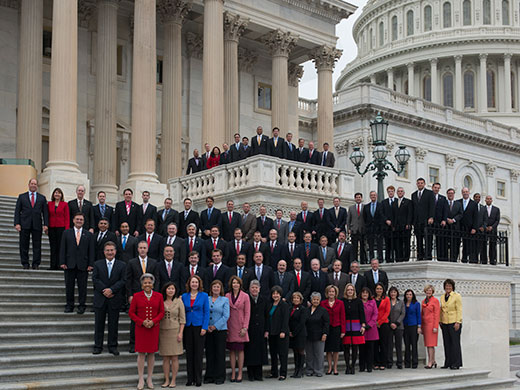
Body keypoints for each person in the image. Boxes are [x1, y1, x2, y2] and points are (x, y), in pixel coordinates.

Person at [128, 273, 165, 390]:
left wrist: (153, 321)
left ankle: (149, 378)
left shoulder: (159, 296)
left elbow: (162, 312)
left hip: (153, 328)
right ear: (141, 285)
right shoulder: (136, 296)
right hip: (141, 328)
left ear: (153, 285)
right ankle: (140, 378)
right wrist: (141, 321)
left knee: (151, 353)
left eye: (149, 282)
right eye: (145, 283)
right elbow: (131, 313)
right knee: (141, 353)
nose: (147, 284)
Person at [92, 241, 126, 355]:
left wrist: (112, 290)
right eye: (107, 250)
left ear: (115, 251)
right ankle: (98, 346)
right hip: (100, 298)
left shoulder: (122, 265)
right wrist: (105, 290)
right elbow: (95, 279)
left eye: (112, 250)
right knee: (99, 324)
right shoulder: (97, 264)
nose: (110, 252)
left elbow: (123, 280)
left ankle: (112, 346)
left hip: (114, 298)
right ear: (104, 252)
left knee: (113, 324)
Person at [126, 241, 158, 352]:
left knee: (150, 318)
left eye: (144, 247)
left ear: (147, 249)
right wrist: (130, 295)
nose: (142, 249)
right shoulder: (131, 262)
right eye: (140, 248)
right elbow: (128, 280)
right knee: (135, 320)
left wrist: (156, 295)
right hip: (136, 295)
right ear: (138, 249)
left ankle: (150, 344)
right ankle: (133, 343)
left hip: (150, 295)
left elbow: (157, 280)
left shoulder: (154, 262)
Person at [60, 213, 95, 314]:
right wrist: (62, 262)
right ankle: (69, 305)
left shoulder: (88, 234)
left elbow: (91, 250)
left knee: (82, 287)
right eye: (77, 219)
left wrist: (90, 264)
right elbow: (63, 248)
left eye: (81, 220)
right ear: (73, 220)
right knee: (69, 286)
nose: (79, 221)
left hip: (83, 265)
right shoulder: (66, 233)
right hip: (69, 264)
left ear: (83, 221)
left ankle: (81, 305)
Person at [14, 178, 49, 270]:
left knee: (37, 245)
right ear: (29, 185)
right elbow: (17, 211)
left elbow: (45, 212)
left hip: (37, 225)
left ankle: (36, 263)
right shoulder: (22, 197)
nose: (33, 185)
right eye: (32, 184)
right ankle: (25, 263)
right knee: (23, 244)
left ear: (37, 186)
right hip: (24, 224)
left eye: (35, 184)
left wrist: (46, 224)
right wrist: (17, 223)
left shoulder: (42, 198)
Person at [182, 275, 210, 387]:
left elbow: (207, 312)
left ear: (199, 284)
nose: (194, 284)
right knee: (189, 353)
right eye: (192, 282)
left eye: (196, 282)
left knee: (198, 354)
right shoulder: (184, 296)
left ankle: (198, 378)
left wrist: (205, 327)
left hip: (199, 326)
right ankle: (190, 378)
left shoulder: (204, 296)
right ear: (189, 284)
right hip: (188, 326)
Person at [159, 282, 186, 388]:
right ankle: (166, 380)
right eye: (169, 288)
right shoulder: (161, 301)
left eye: (172, 289)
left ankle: (173, 380)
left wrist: (180, 333)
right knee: (165, 357)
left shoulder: (179, 301)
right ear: (165, 290)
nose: (171, 290)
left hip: (175, 331)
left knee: (174, 357)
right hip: (163, 331)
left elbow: (183, 319)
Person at [204, 280, 230, 385]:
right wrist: (207, 326)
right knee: (209, 354)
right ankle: (209, 376)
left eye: (218, 287)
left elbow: (226, 316)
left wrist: (215, 326)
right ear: (211, 288)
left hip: (220, 330)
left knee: (219, 353)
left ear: (221, 289)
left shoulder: (225, 300)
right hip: (208, 330)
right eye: (214, 287)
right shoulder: (207, 298)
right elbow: (205, 312)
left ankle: (220, 376)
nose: (216, 289)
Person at [226, 276, 251, 382]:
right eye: (233, 283)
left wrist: (245, 327)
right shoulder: (227, 295)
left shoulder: (245, 296)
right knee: (231, 351)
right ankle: (233, 372)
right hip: (230, 325)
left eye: (237, 283)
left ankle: (240, 372)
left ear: (240, 285)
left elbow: (247, 312)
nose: (235, 285)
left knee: (240, 350)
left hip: (241, 326)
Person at [245, 280, 268, 381]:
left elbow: (267, 316)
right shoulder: (246, 298)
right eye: (252, 287)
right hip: (249, 329)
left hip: (261, 329)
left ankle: (259, 374)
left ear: (259, 289)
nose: (254, 289)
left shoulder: (264, 299)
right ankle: (251, 374)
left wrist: (267, 330)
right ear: (249, 288)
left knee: (260, 352)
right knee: (250, 352)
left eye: (256, 287)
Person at [266, 286, 290, 380]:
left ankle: (283, 373)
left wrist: (283, 331)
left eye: (277, 293)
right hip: (272, 332)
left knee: (282, 354)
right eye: (273, 293)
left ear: (280, 295)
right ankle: (274, 372)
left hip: (281, 333)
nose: (275, 295)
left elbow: (285, 319)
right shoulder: (270, 304)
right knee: (273, 353)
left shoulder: (284, 305)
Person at [321, 285, 345, 375]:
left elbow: (343, 317)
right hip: (327, 328)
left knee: (335, 349)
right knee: (328, 349)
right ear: (327, 293)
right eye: (330, 291)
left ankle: (335, 367)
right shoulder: (323, 303)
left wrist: (343, 331)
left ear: (336, 293)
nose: (331, 293)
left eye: (333, 292)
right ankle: (329, 367)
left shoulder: (340, 303)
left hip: (336, 328)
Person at [342, 283, 366, 375]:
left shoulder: (358, 301)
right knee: (346, 347)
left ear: (354, 291)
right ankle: (347, 366)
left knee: (355, 347)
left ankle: (353, 366)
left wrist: (363, 325)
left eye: (351, 290)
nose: (350, 291)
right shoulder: (342, 301)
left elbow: (362, 314)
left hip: (356, 325)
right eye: (348, 290)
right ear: (346, 291)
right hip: (346, 325)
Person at [305, 292, 329, 377]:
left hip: (319, 335)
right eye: (314, 299)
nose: (315, 301)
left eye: (317, 299)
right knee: (309, 354)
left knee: (319, 354)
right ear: (311, 300)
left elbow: (326, 323)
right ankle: (309, 370)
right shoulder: (307, 310)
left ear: (320, 300)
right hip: (308, 335)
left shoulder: (323, 311)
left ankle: (318, 371)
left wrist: (325, 334)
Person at [440, 278, 462, 370]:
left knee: (455, 343)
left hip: (454, 322)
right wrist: (440, 320)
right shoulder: (442, 296)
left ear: (452, 287)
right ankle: (448, 362)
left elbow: (459, 310)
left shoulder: (457, 296)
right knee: (446, 343)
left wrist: (458, 322)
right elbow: (441, 310)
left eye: (449, 286)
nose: (448, 287)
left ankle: (456, 363)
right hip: (444, 322)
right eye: (446, 286)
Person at [411, 178, 435, 260]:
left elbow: (432, 206)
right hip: (417, 221)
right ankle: (420, 255)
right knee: (419, 239)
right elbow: (413, 208)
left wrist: (431, 217)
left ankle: (428, 255)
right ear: (417, 184)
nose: (420, 184)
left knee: (428, 238)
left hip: (426, 220)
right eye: (418, 183)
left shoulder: (430, 193)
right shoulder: (413, 195)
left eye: (421, 183)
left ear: (424, 184)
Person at [47, 187, 69, 270]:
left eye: (59, 193)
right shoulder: (49, 204)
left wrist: (66, 229)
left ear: (61, 195)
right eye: (55, 192)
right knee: (53, 247)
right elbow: (47, 216)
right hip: (52, 228)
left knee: (60, 247)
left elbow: (67, 217)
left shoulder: (65, 204)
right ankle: (52, 265)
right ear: (53, 194)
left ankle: (60, 265)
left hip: (61, 228)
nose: (57, 194)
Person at [289, 291, 308, 378]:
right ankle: (296, 369)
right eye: (294, 298)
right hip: (291, 333)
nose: (296, 299)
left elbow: (302, 322)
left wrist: (294, 332)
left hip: (300, 333)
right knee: (295, 352)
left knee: (300, 351)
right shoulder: (290, 308)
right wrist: (289, 331)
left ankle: (300, 370)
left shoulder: (303, 309)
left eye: (297, 298)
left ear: (300, 300)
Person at [359, 287, 378, 373]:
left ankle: (369, 366)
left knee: (370, 349)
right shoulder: (358, 302)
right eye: (363, 293)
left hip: (371, 329)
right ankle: (362, 366)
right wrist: (362, 325)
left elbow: (375, 315)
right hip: (360, 328)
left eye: (366, 293)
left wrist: (369, 325)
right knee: (362, 349)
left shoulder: (373, 302)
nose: (365, 294)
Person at [421, 284, 440, 369]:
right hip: (425, 325)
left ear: (432, 291)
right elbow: (422, 314)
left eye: (430, 290)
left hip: (432, 325)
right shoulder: (423, 301)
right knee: (428, 344)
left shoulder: (435, 301)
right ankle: (433, 360)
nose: (428, 292)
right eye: (427, 290)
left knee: (430, 344)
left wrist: (435, 326)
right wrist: (421, 326)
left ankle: (430, 362)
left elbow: (437, 314)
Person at [458, 187, 479, 263]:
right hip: (460, 226)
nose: (465, 193)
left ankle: (469, 259)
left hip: (470, 227)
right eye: (464, 192)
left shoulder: (474, 204)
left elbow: (476, 216)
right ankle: (461, 259)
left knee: (469, 244)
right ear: (462, 193)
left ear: (469, 192)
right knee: (458, 243)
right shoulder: (458, 202)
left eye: (466, 191)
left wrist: (474, 228)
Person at [373, 282, 390, 370]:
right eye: (377, 289)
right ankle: (376, 362)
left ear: (383, 290)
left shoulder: (386, 299)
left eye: (380, 288)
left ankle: (383, 362)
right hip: (374, 324)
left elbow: (387, 312)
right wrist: (375, 322)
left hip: (383, 324)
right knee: (375, 344)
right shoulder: (372, 299)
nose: (379, 290)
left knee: (383, 344)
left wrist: (379, 322)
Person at [403, 289, 421, 369]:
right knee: (407, 345)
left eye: (410, 294)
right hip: (405, 326)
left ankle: (414, 363)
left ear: (412, 295)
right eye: (407, 294)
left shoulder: (416, 304)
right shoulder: (403, 303)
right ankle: (407, 363)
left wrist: (419, 326)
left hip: (413, 325)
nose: (408, 296)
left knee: (414, 345)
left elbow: (418, 315)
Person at [363, 191, 383, 261]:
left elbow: (382, 216)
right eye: (371, 195)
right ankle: (371, 258)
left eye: (374, 195)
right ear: (370, 196)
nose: (373, 196)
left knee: (379, 244)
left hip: (378, 228)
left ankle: (380, 258)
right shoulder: (366, 207)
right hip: (369, 229)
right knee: (370, 245)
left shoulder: (381, 205)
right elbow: (365, 218)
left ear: (376, 196)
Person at [388, 286, 405, 369]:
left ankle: (399, 362)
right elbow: (385, 312)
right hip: (389, 326)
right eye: (391, 292)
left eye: (394, 292)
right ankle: (389, 362)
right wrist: (390, 323)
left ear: (397, 293)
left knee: (399, 345)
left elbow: (403, 314)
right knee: (389, 345)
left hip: (399, 326)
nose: (393, 294)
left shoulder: (401, 302)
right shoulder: (387, 301)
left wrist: (396, 323)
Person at [394, 187, 413, 262]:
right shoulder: (394, 202)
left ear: (404, 193)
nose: (400, 193)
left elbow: (410, 213)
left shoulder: (408, 202)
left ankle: (406, 258)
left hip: (405, 226)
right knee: (398, 243)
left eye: (401, 191)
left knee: (406, 243)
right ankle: (399, 258)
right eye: (398, 191)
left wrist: (408, 223)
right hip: (397, 226)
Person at [432, 183, 449, 261]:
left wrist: (444, 220)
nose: (436, 189)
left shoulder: (443, 198)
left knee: (440, 241)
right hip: (430, 222)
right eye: (435, 187)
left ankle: (441, 257)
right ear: (432, 188)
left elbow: (445, 210)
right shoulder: (429, 197)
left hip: (440, 223)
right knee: (429, 239)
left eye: (438, 188)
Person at [347, 193, 365, 263]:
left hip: (362, 229)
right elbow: (348, 219)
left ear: (361, 198)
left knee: (363, 246)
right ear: (355, 199)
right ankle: (355, 260)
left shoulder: (364, 207)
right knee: (354, 246)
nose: (358, 198)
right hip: (354, 229)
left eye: (359, 197)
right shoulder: (351, 208)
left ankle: (363, 260)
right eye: (357, 197)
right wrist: (348, 228)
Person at [446, 188, 463, 262]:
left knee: (455, 244)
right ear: (447, 194)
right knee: (445, 244)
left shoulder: (458, 204)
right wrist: (447, 219)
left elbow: (461, 214)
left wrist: (453, 220)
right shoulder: (444, 203)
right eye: (449, 193)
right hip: (446, 227)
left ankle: (454, 259)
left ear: (454, 194)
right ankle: (445, 258)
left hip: (455, 227)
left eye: (452, 193)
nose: (450, 195)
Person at [381, 186, 397, 263]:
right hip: (386, 227)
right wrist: (386, 220)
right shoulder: (384, 202)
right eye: (389, 191)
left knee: (396, 244)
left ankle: (396, 258)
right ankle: (388, 259)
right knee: (387, 244)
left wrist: (394, 223)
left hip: (395, 227)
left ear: (394, 192)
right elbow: (381, 213)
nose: (390, 193)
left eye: (392, 191)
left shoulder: (397, 201)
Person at [485, 195, 501, 265]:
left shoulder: (496, 209)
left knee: (493, 245)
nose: (488, 200)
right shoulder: (483, 208)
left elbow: (497, 220)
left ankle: (492, 260)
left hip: (493, 230)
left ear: (492, 200)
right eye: (487, 199)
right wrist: (485, 227)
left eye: (490, 199)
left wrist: (492, 227)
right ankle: (484, 260)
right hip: (485, 230)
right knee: (483, 245)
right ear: (485, 200)